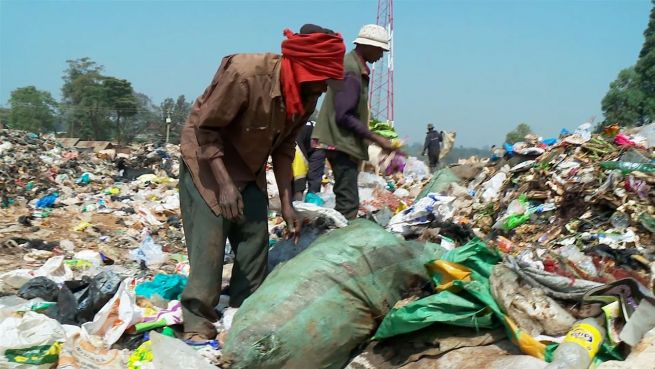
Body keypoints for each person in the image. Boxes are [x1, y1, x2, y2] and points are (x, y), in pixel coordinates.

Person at [178, 24, 345, 340]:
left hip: (248, 161)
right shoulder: (246, 74)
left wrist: (287, 205)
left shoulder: (303, 96)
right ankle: (197, 321)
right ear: (303, 68)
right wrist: (225, 185)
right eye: (321, 79)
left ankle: (242, 311)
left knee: (254, 239)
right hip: (207, 155)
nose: (324, 88)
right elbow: (207, 129)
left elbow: (283, 147)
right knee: (211, 239)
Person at [312, 24, 398, 220]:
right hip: (340, 142)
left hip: (340, 142)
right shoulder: (351, 70)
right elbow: (344, 114)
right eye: (380, 50)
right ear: (367, 46)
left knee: (347, 198)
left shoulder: (353, 65)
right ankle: (339, 245)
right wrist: (376, 138)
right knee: (348, 204)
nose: (381, 56)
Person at [293, 120, 327, 204]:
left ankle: (311, 204)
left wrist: (298, 189)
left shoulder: (294, 136)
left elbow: (300, 168)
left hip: (319, 142)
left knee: (312, 174)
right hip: (312, 137)